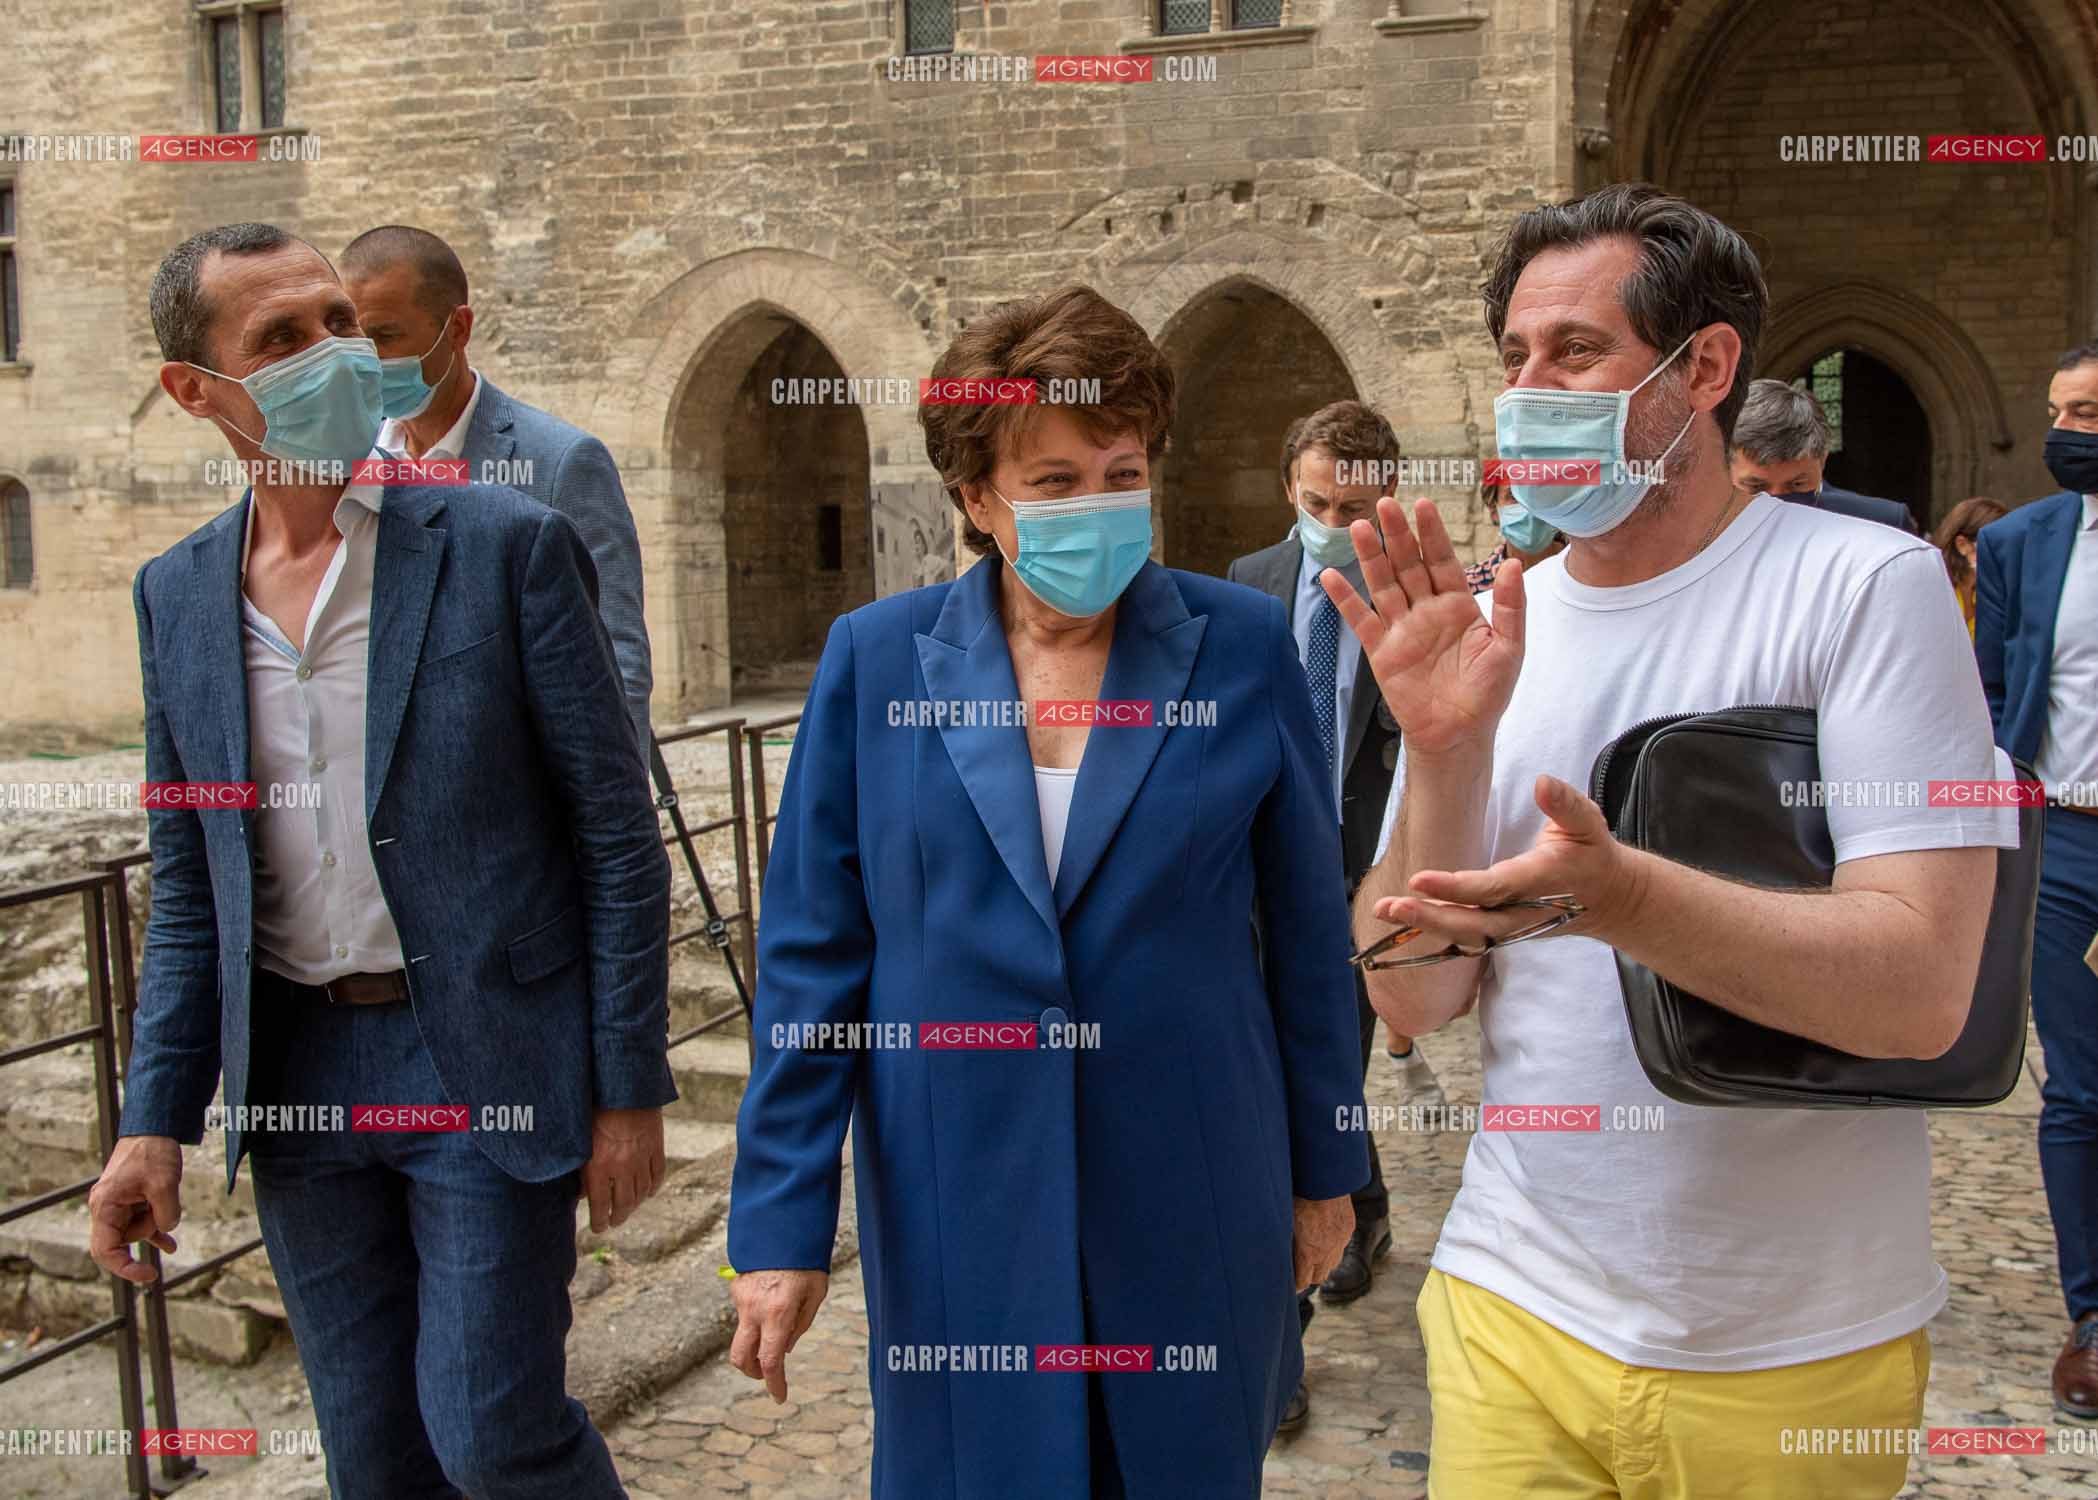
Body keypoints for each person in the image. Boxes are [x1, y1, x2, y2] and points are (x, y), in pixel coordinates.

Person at [1328, 184, 2013, 1499]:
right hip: (1509, 1302)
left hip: (1786, 1343)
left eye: (1575, 352)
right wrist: (1446, 746)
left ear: (1702, 367)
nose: (1528, 389)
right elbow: (1410, 991)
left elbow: (1922, 992)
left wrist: (1619, 895)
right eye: (1513, 357)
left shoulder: (1869, 588)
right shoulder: (1490, 620)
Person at [724, 284, 1370, 1498]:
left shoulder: (1238, 646)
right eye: (1056, 482)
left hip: (1192, 1172)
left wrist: (1326, 1166)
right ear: (977, 498)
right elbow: (813, 958)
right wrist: (778, 1228)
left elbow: (1301, 929)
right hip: (957, 1183)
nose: (1097, 505)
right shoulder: (873, 661)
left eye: (1119, 472)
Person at [85, 223, 674, 1500]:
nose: (332, 354)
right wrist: (150, 1124)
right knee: (374, 1457)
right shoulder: (177, 595)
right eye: (281, 340)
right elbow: (191, 883)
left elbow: (615, 833)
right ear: (198, 391)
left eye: (338, 324)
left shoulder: (501, 544)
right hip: (298, 1071)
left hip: (479, 1052)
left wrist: (628, 1084)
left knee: (492, 1431)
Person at [1227, 400, 1437, 1430]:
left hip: (1358, 896)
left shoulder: (1420, 594)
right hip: (1253, 887)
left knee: (1312, 1094)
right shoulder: (1245, 586)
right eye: (1317, 502)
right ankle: (1372, 1211)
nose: (1332, 520)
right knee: (1305, 1095)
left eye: (1354, 504)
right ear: (1289, 492)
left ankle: (1281, 1365)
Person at [341, 225, 654, 762]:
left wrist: (606, 827)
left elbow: (616, 658)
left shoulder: (561, 462)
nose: (368, 362)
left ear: (457, 328)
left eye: (386, 337)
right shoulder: (355, 465)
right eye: (352, 343)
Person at [1974, 339, 2098, 1417]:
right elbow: (1998, 687)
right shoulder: (2022, 542)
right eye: (2060, 411)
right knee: (2077, 1085)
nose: (2070, 431)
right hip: (2069, 839)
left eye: (2090, 411)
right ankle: (2092, 1314)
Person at [1727, 377, 1922, 534]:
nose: (1777, 503)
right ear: (1726, 466)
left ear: (1822, 459)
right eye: (1756, 487)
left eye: (1797, 485)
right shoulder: (1700, 528)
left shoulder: (1881, 524)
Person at [1464, 480, 1564, 594]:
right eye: (1514, 496)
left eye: (1542, 494)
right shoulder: (1468, 588)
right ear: (1493, 509)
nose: (1529, 508)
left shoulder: (1585, 574)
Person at [1932, 495, 2008, 636]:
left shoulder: (2001, 592)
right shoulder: (1932, 589)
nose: (2006, 553)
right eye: (1997, 545)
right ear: (1962, 545)